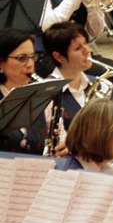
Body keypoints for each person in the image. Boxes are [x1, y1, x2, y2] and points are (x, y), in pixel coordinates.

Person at [41, 22, 97, 156]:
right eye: (78, 48)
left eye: (86, 43)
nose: (87, 50)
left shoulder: (100, 84)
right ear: (59, 57)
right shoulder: (46, 94)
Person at [0, 29, 44, 154]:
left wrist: (64, 144)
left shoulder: (42, 93)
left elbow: (60, 135)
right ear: (1, 62)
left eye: (32, 57)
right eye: (21, 58)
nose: (30, 64)